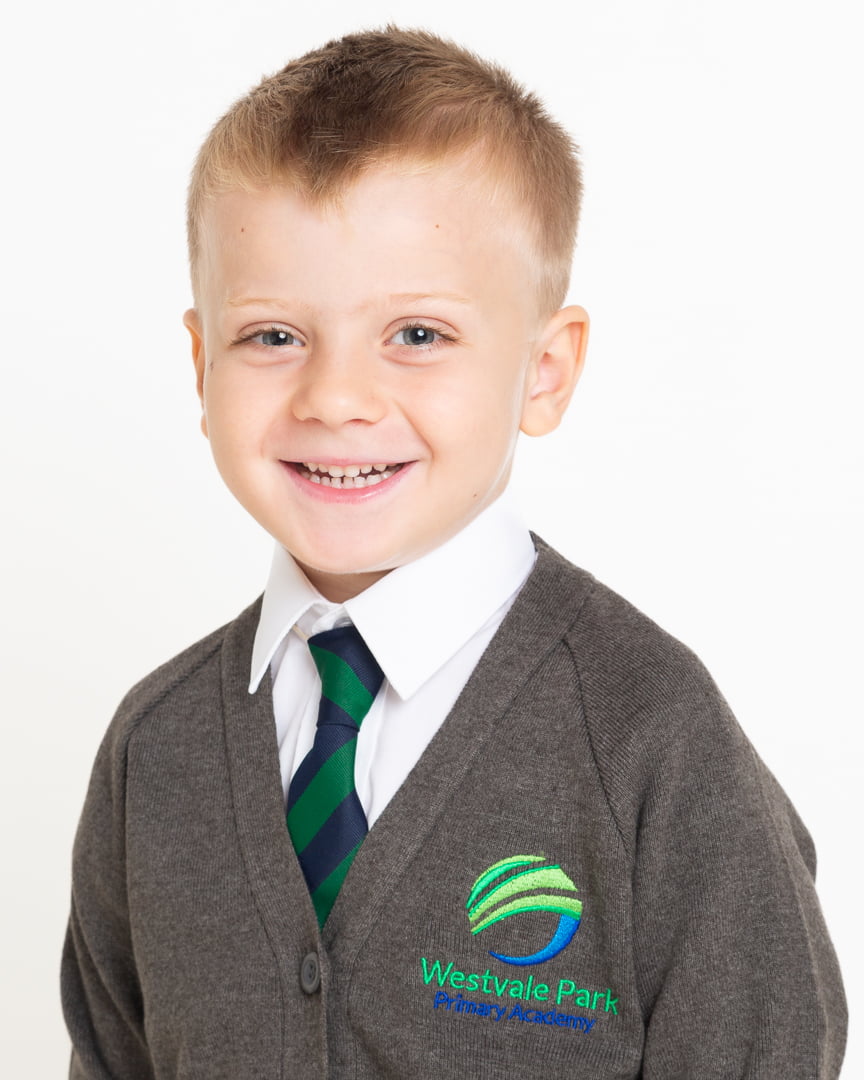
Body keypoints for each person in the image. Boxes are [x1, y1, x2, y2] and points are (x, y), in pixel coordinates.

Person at [61, 26, 846, 1079]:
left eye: (418, 335)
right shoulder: (154, 754)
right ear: (202, 366)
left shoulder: (655, 742)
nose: (336, 398)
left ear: (545, 371)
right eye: (273, 336)